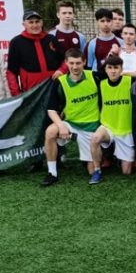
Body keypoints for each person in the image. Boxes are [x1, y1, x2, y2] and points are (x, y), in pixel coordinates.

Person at [40, 48, 99, 187]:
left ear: (84, 62)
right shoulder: (60, 82)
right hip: (71, 124)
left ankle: (97, 157)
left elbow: (116, 75)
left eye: (78, 63)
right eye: (71, 63)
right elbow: (51, 110)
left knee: (92, 171)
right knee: (50, 132)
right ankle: (52, 173)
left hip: (91, 127)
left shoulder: (94, 76)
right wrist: (61, 125)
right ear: (66, 63)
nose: (75, 67)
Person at [89, 55, 135, 183]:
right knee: (95, 138)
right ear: (105, 69)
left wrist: (127, 73)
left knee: (126, 172)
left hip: (125, 130)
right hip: (107, 127)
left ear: (121, 69)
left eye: (116, 68)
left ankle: (116, 157)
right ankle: (97, 171)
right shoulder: (101, 84)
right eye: (109, 68)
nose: (113, 71)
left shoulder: (130, 81)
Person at [6, 10, 64, 95]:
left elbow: (65, 60)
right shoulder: (16, 42)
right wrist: (16, 94)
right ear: (24, 24)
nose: (35, 25)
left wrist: (62, 70)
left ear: (41, 23)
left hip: (53, 88)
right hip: (32, 93)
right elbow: (11, 72)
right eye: (31, 22)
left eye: (37, 22)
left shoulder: (51, 39)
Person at [85, 8, 124, 74]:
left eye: (108, 21)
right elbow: (89, 66)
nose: (106, 24)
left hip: (115, 76)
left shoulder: (121, 42)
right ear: (97, 22)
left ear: (112, 22)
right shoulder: (92, 43)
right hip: (97, 76)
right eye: (102, 21)